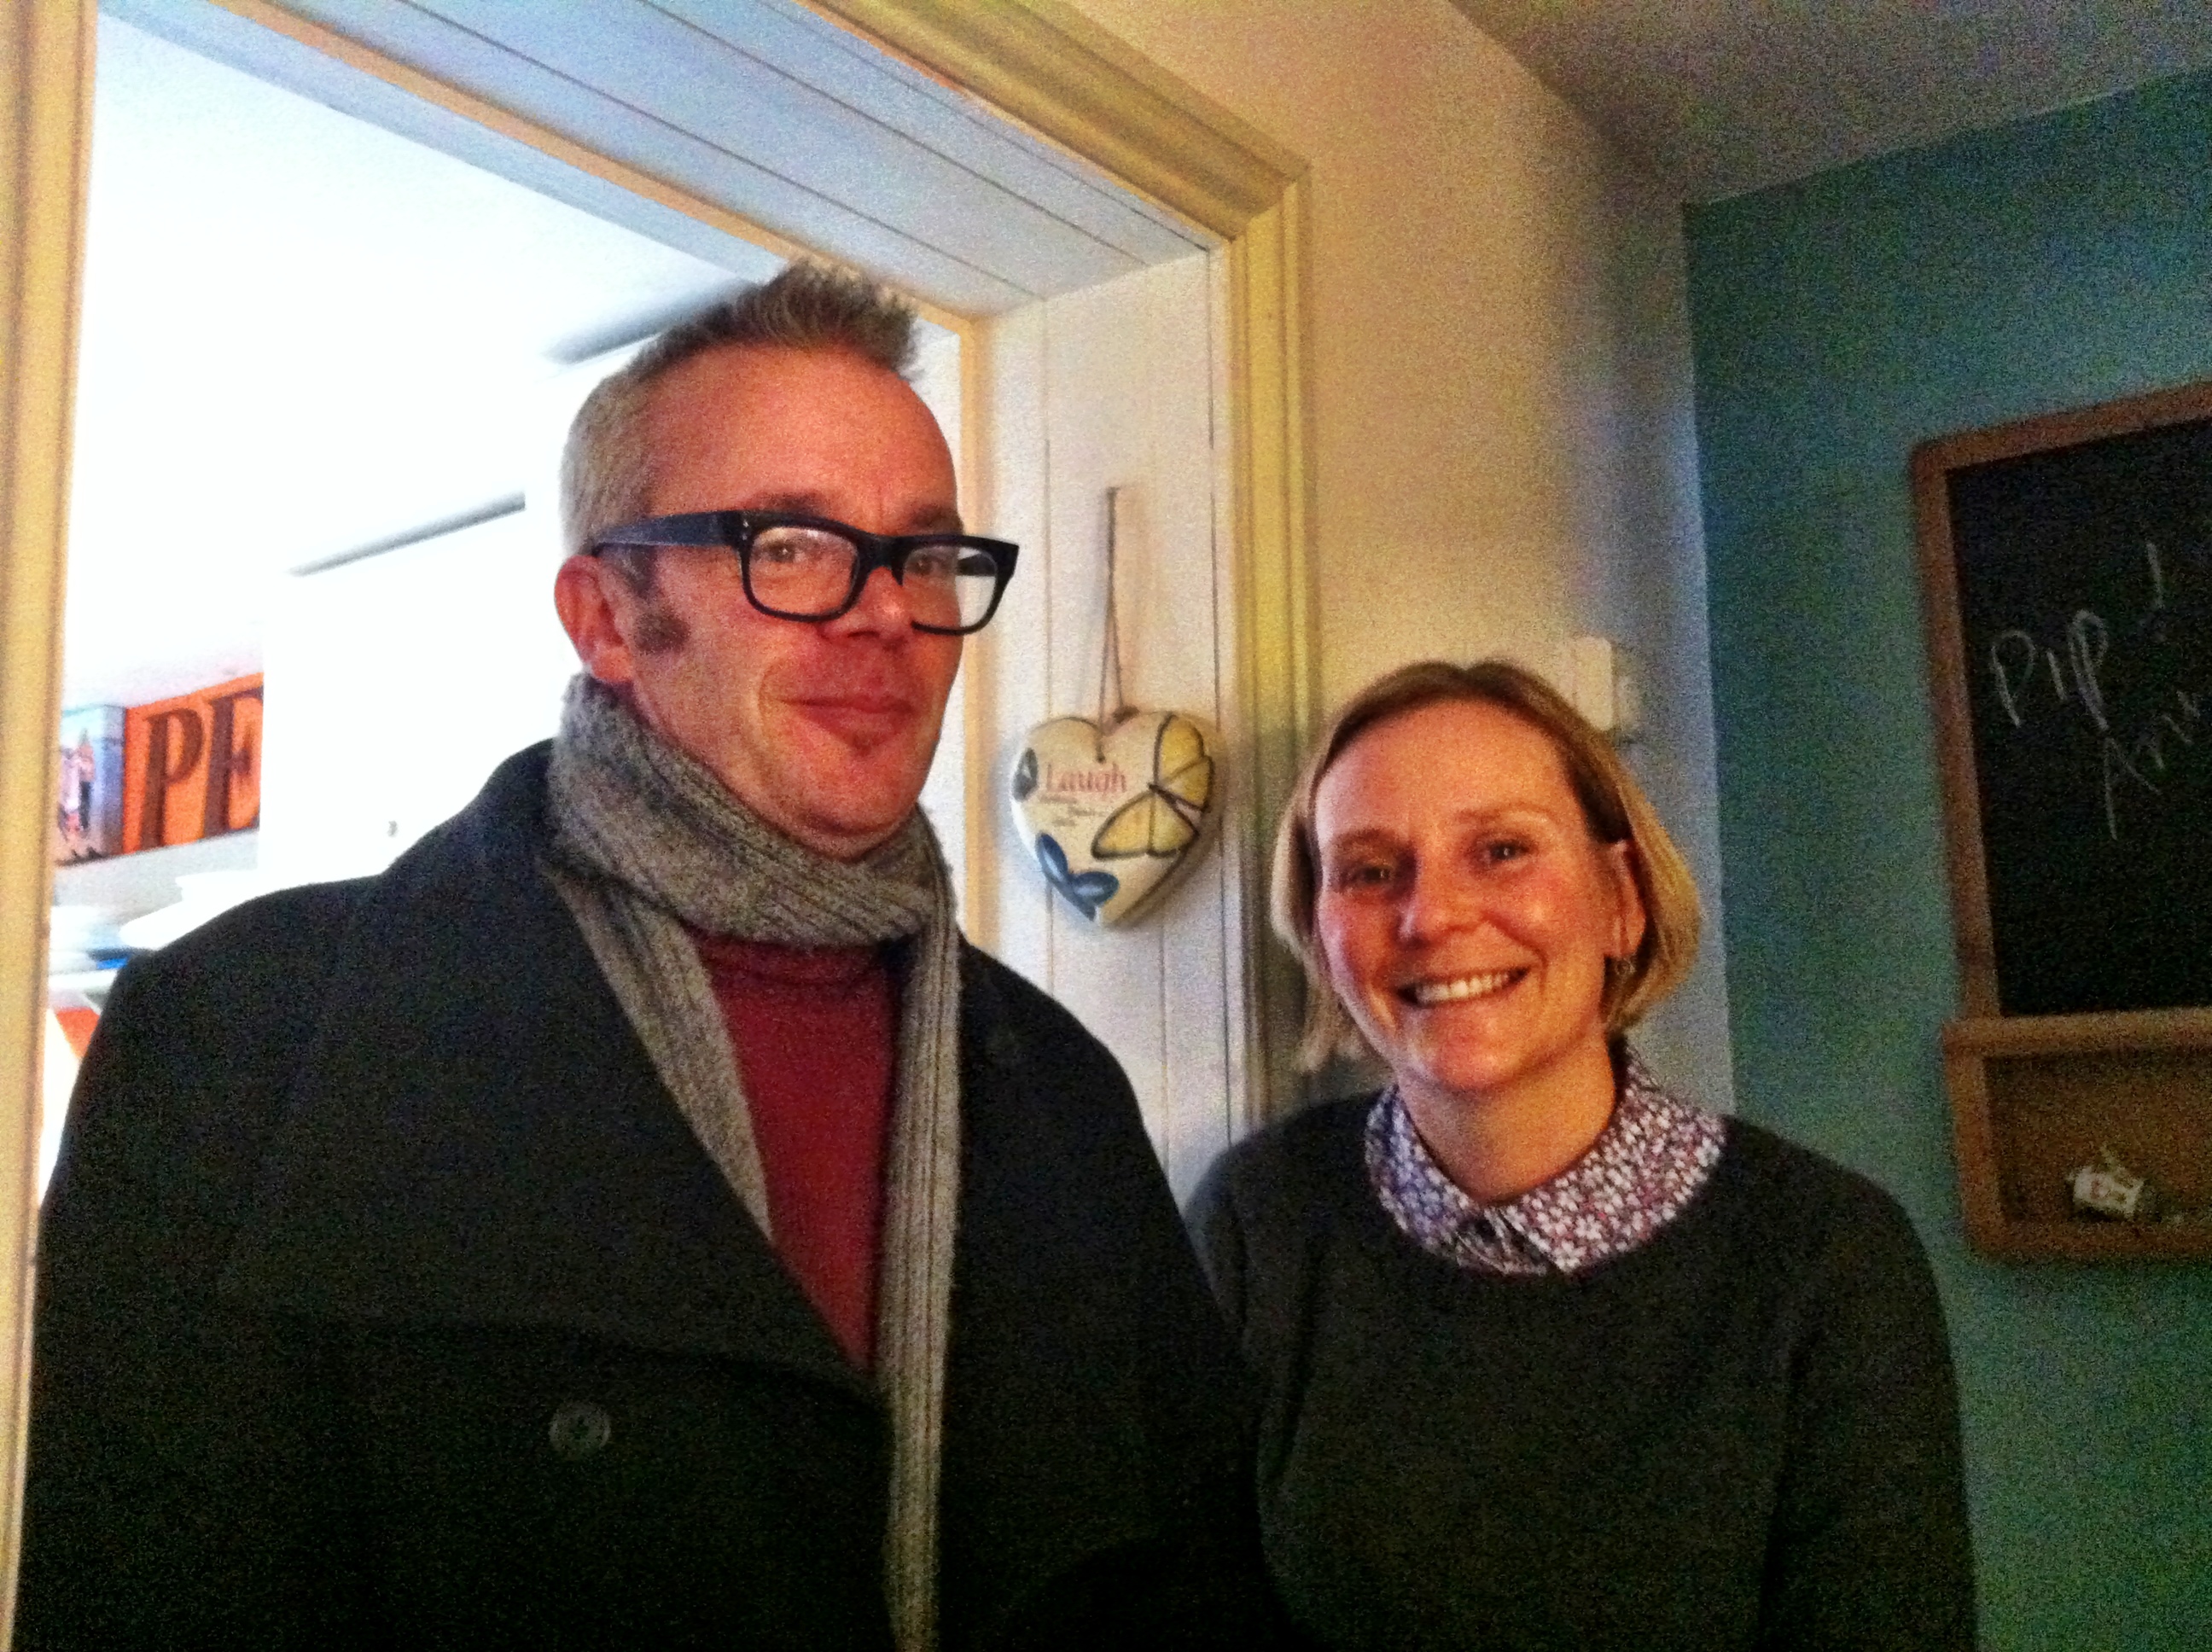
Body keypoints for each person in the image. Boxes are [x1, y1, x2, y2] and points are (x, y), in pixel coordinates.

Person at [22, 265, 1273, 1650]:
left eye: (924, 557)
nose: (886, 614)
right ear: (606, 618)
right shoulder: (246, 1034)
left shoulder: (1062, 1089)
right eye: (791, 545)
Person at [1189, 659, 1976, 1651]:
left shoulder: (1826, 1257)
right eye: (1371, 870)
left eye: (1502, 850)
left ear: (1622, 900)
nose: (1432, 916)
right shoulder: (1257, 1220)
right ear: (1319, 933)